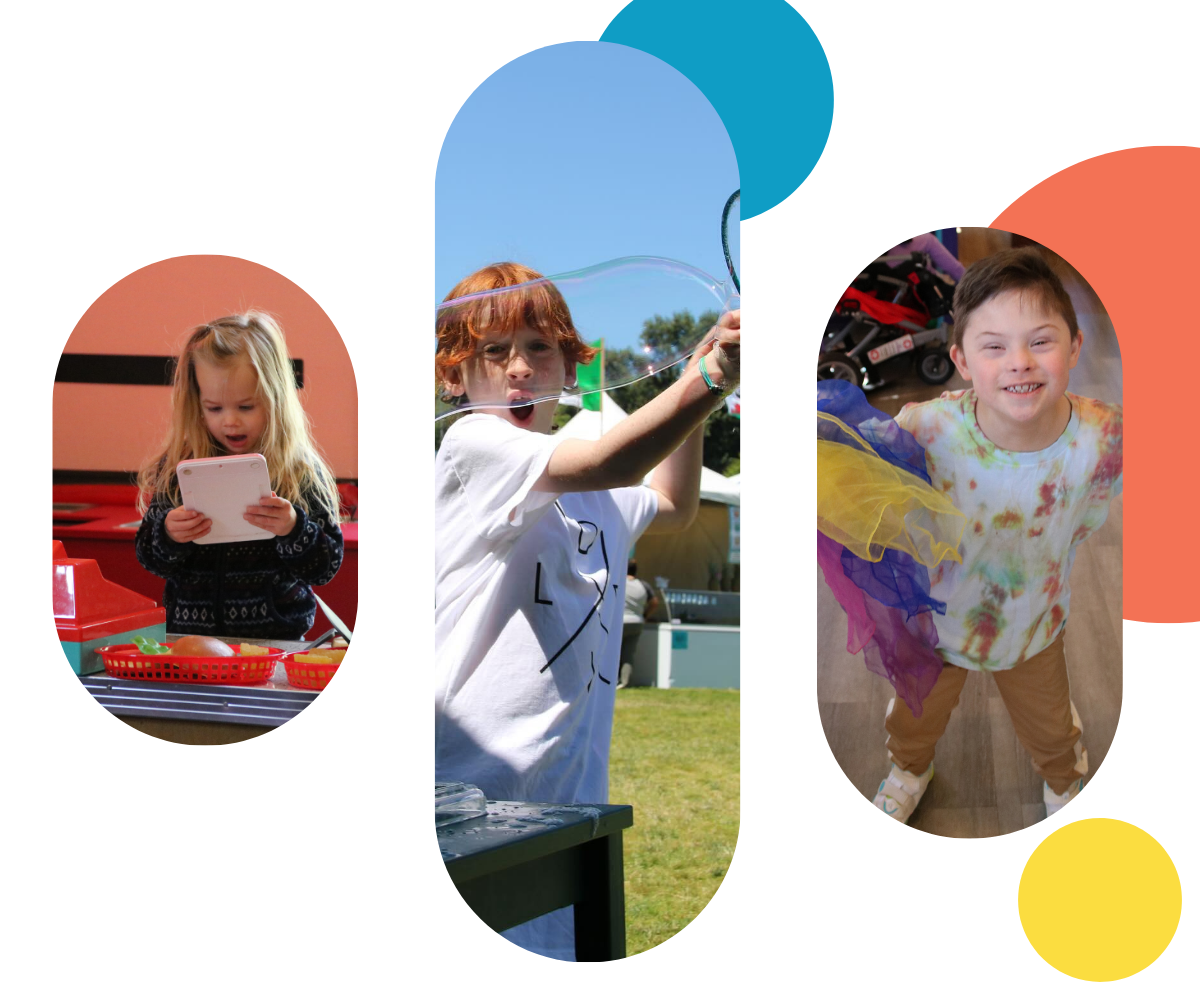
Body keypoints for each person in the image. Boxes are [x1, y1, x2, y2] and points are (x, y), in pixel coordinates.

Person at [434, 262, 740, 960]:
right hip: (466, 800)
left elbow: (672, 502)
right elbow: (612, 462)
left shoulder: (598, 489)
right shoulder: (472, 448)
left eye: (539, 348)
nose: (519, 368)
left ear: (570, 365)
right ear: (455, 375)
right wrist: (710, 379)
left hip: (567, 807)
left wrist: (696, 384)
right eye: (494, 350)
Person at [871, 247, 1122, 824]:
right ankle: (909, 770)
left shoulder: (1105, 434)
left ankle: (1064, 779)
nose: (1019, 362)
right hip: (931, 625)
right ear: (960, 359)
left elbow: (1107, 503)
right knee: (913, 717)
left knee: (1052, 727)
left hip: (1032, 622)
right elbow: (870, 482)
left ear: (1075, 347)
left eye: (1040, 341)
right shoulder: (925, 426)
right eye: (994, 346)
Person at [134, 312, 344, 641]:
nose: (230, 421)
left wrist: (293, 528)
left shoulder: (298, 469)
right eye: (214, 408)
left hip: (276, 644)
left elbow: (326, 566)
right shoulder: (179, 465)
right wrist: (168, 534)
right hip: (191, 642)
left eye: (246, 407)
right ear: (196, 403)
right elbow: (150, 557)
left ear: (275, 399)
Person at [619, 558, 659, 688]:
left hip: (620, 622)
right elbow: (654, 602)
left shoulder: (619, 582)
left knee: (613, 652)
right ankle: (625, 682)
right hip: (637, 622)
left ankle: (610, 680)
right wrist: (645, 615)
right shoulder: (643, 585)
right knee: (628, 654)